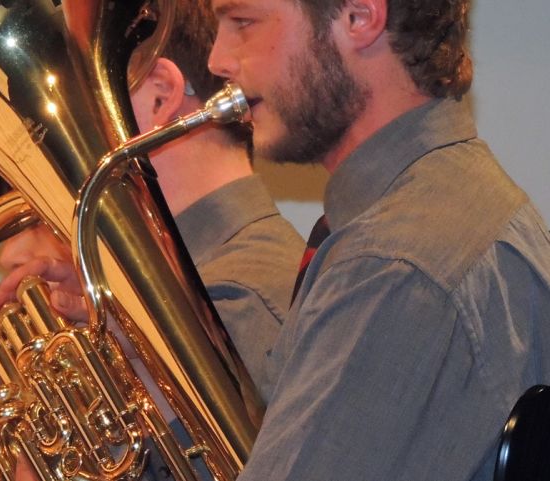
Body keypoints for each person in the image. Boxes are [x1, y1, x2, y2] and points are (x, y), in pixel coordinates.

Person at [204, 0, 550, 479]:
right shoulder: (439, 213)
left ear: (360, 16)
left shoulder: (393, 266)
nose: (217, 60)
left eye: (243, 22)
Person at [0, 0, 305, 395]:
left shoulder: (242, 298)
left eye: (61, 95)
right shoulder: (189, 289)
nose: (40, 136)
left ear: (160, 95)